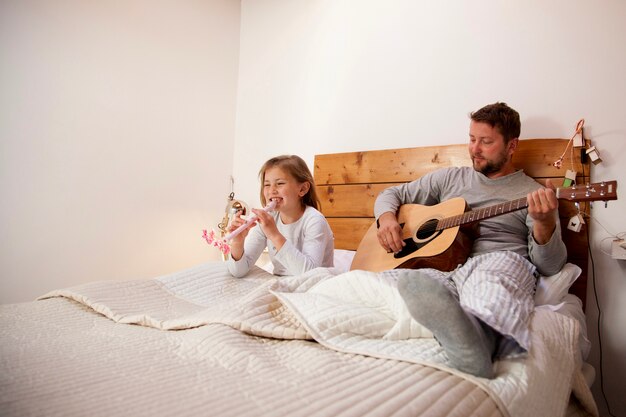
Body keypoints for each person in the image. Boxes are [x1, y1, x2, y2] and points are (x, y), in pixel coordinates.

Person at [374, 102, 567, 378]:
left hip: (497, 260)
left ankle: (480, 341)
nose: (474, 149)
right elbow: (390, 195)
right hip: (444, 266)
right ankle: (455, 322)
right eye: (472, 138)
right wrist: (386, 219)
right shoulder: (449, 178)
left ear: (511, 146)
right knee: (396, 282)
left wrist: (545, 223)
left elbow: (550, 266)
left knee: (493, 282)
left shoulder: (534, 194)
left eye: (485, 142)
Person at [227, 155, 334, 277]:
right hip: (282, 284)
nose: (271, 190)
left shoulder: (314, 221)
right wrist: (237, 242)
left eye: (280, 183)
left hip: (315, 286)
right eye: (267, 185)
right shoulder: (267, 219)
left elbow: (309, 275)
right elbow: (238, 272)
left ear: (303, 189)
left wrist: (274, 234)